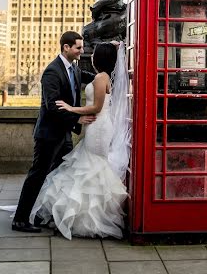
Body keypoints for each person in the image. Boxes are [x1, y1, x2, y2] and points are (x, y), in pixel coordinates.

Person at [31, 41, 130, 239]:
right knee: (89, 166)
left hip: (98, 127)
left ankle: (87, 219)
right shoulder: (101, 77)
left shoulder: (101, 78)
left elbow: (96, 108)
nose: (88, 55)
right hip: (96, 126)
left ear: (99, 58)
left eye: (93, 53)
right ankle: (85, 215)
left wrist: (71, 109)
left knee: (92, 166)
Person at [11, 31, 95, 233]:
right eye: (78, 48)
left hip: (63, 133)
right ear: (66, 47)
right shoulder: (52, 72)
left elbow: (89, 77)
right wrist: (77, 117)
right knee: (38, 175)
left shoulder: (73, 68)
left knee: (60, 174)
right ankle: (20, 220)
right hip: (49, 134)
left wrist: (108, 74)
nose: (81, 51)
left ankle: (45, 213)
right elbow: (52, 105)